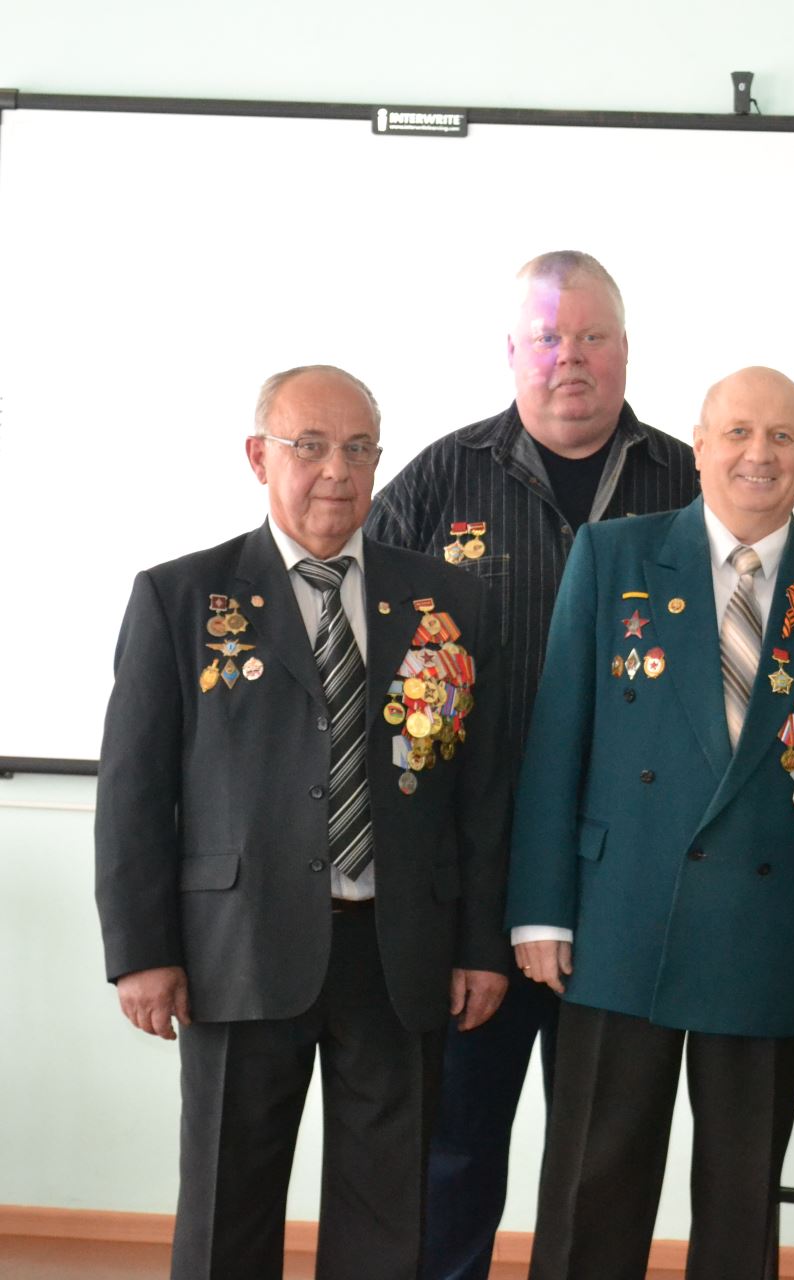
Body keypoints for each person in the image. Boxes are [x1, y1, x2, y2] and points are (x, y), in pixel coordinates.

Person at [94, 365, 510, 1280]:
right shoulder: (182, 597)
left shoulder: (447, 600)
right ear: (259, 457)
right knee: (226, 1205)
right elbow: (133, 790)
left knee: (387, 1207)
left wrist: (481, 943)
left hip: (396, 951)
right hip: (234, 950)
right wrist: (140, 950)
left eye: (359, 449)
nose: (337, 470)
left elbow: (477, 794)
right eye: (310, 446)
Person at [505, 365, 794, 1277]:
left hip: (772, 934)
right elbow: (556, 740)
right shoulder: (614, 557)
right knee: (590, 1193)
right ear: (698, 446)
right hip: (621, 920)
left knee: (739, 1205)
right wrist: (540, 909)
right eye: (736, 433)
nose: (757, 455)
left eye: (780, 437)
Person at [363, 249, 697, 1279]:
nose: (570, 359)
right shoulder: (438, 479)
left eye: (592, 336)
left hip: (626, 885)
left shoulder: (688, 483)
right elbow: (366, 676)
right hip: (472, 886)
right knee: (453, 1149)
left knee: (602, 1156)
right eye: (548, 337)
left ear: (626, 351)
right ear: (512, 351)